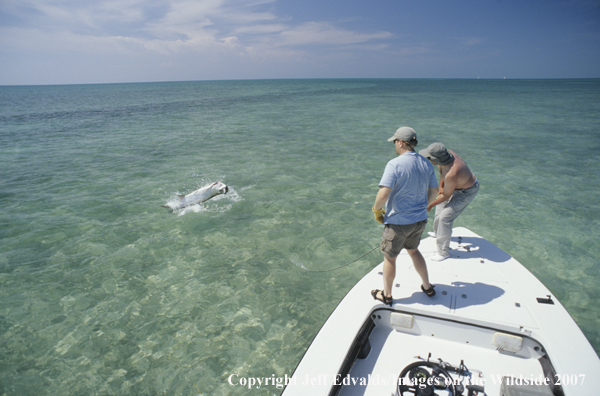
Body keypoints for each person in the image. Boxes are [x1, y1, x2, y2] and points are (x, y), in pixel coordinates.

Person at [371, 126, 439, 305]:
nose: (394, 145)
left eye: (395, 141)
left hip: (398, 223)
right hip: (419, 220)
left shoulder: (394, 164)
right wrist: (424, 207)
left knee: (390, 258)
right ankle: (427, 286)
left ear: (400, 142)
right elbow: (435, 190)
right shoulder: (426, 162)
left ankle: (387, 295)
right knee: (414, 251)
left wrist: (376, 210)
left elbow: (384, 193)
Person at [419, 143, 479, 261]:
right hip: (453, 185)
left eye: (429, 157)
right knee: (439, 207)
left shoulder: (453, 173)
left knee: (445, 217)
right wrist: (441, 186)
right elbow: (443, 172)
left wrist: (430, 205)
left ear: (436, 159)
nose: (428, 159)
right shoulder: (447, 155)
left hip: (467, 191)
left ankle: (443, 252)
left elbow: (447, 195)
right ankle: (438, 233)